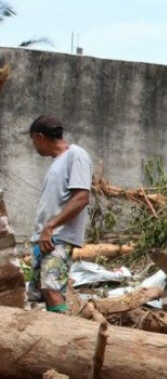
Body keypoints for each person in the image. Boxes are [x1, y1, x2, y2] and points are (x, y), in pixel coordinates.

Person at [27, 115, 92, 313]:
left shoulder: (76, 155)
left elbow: (82, 197)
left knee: (52, 287)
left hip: (57, 237)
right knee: (42, 293)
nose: (34, 146)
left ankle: (65, 338)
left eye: (32, 140)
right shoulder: (58, 161)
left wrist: (50, 227)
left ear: (39, 137)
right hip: (46, 238)